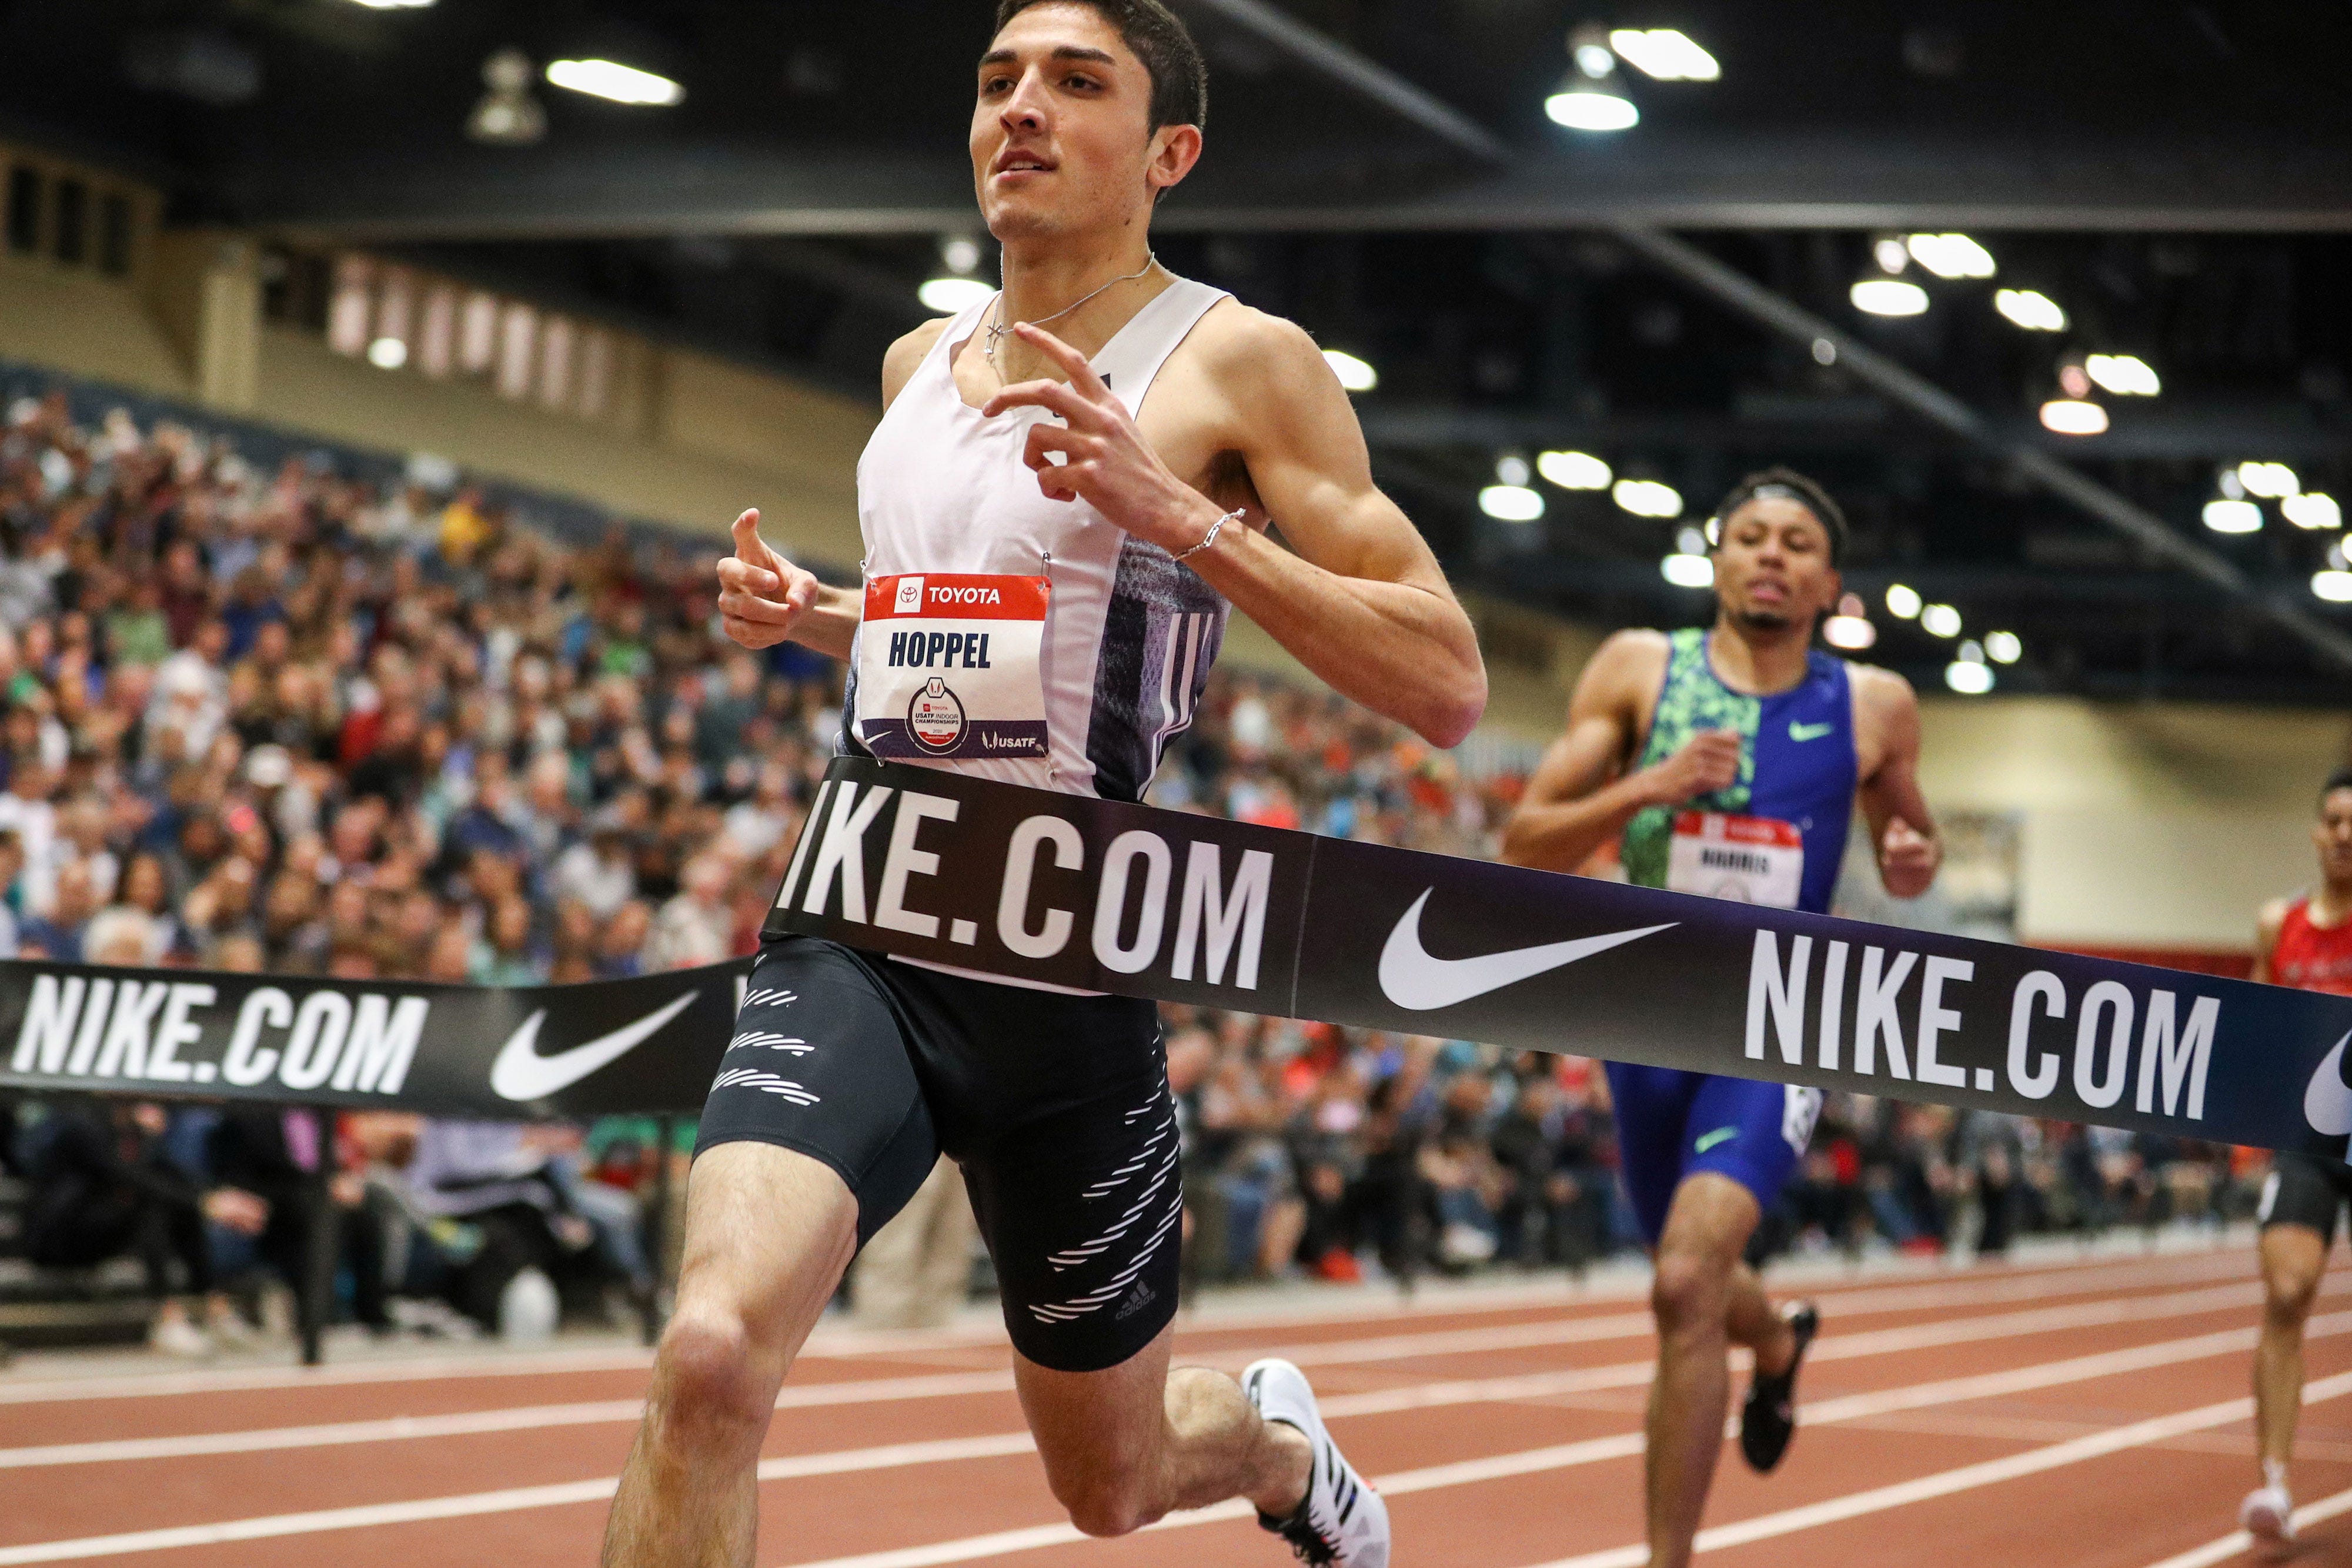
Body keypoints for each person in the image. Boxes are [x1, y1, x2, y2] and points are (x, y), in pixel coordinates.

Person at [601, 4, 1484, 1564]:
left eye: (1077, 83)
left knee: (1113, 1485)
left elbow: (1446, 681)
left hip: (1068, 964)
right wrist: (829, 617)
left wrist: (1182, 514)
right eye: (999, 78)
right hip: (861, 915)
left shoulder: (1238, 362)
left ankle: (1277, 1445)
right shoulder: (916, 361)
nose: (1022, 108)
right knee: (709, 1354)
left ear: (1168, 153)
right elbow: (980, 638)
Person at [1500, 468, 1939, 1568]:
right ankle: (1779, 1343)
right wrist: (1645, 790)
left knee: (1684, 1283)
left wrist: (1911, 856)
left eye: (1798, 542)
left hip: (1780, 1019)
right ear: (1717, 558)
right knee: (1691, 1281)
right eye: (1752, 537)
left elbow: (1911, 846)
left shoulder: (1873, 703)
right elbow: (1528, 844)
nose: (1773, 556)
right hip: (1646, 1017)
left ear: (1830, 582)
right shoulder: (1641, 669)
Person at [2239, 768, 2352, 1544]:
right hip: (2310, 1137)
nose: (2347, 834)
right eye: (2336, 821)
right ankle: (2274, 1484)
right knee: (2287, 1290)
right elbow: (2257, 1019)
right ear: (2317, 832)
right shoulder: (2279, 926)